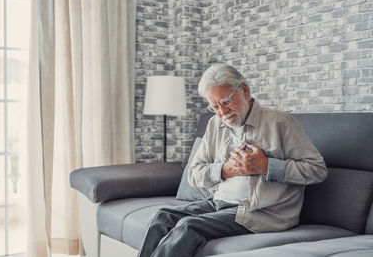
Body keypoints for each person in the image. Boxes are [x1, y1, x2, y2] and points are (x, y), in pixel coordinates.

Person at [137, 64, 327, 257]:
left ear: (244, 90)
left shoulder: (280, 122)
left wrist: (266, 166)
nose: (222, 112)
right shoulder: (215, 124)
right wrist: (225, 170)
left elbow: (317, 170)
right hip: (218, 202)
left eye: (226, 102)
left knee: (188, 227)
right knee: (162, 217)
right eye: (214, 106)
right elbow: (193, 175)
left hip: (260, 212)